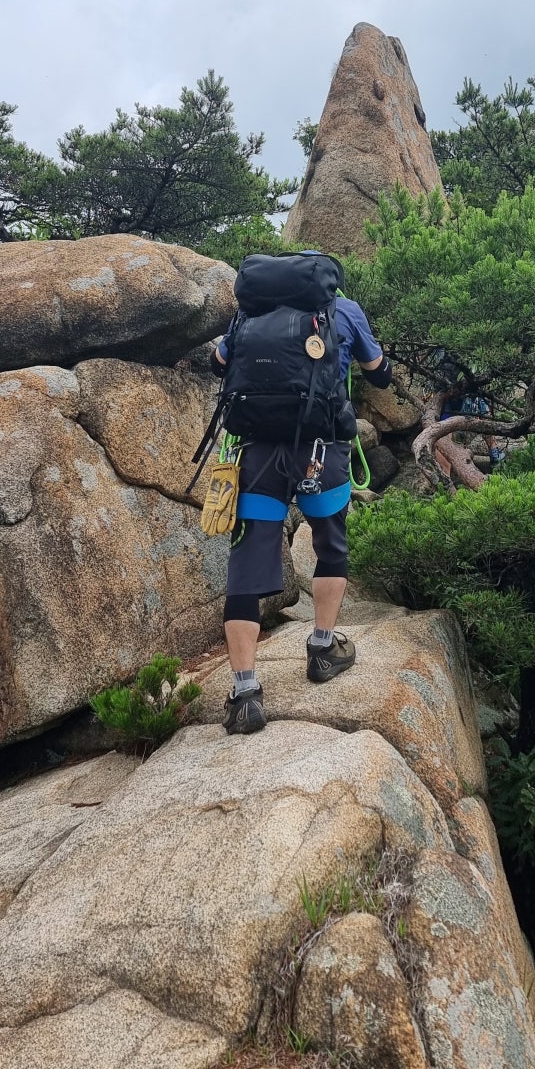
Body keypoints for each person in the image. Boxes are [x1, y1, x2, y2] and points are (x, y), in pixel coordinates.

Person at [210, 261, 392, 735]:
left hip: (258, 455)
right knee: (330, 542)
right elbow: (379, 375)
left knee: (247, 568)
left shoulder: (249, 316)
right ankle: (322, 649)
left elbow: (218, 363)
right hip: (321, 450)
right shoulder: (344, 310)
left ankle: (246, 693)